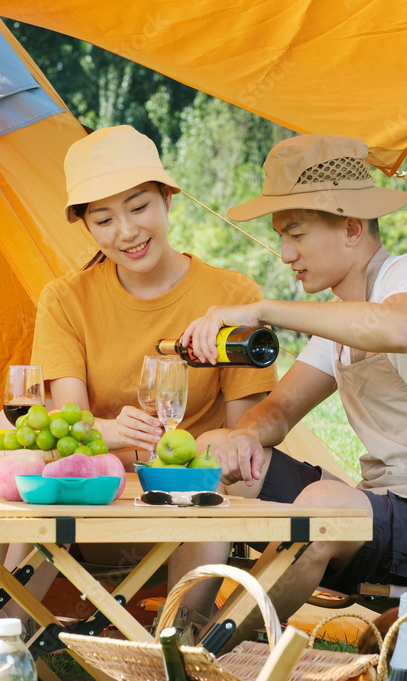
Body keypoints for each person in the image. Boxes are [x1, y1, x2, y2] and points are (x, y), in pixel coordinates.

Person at [181, 134, 407, 624]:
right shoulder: (341, 321)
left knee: (323, 504)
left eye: (295, 234)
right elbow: (277, 412)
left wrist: (263, 309)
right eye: (281, 236)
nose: (284, 253)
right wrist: (243, 438)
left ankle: (207, 656)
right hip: (386, 515)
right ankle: (176, 632)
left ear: (352, 228)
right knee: (211, 450)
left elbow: (397, 329)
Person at [1, 125, 277, 626]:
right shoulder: (66, 300)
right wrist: (108, 435)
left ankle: (175, 650)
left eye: (138, 207)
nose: (126, 232)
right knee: (39, 492)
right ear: (85, 226)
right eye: (103, 219)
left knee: (206, 493)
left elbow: (241, 441)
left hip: (187, 505)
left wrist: (153, 455)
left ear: (168, 199)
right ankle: (11, 650)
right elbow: (71, 427)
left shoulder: (230, 294)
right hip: (94, 501)